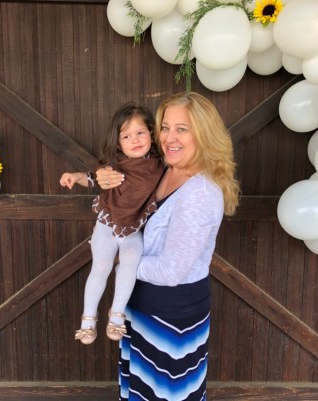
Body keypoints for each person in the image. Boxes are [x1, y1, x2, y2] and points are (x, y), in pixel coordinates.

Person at [96, 92, 240, 401]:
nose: (169, 138)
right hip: (141, 307)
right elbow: (123, 175)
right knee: (140, 389)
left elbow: (171, 271)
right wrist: (102, 175)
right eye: (164, 127)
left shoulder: (201, 193)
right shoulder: (163, 167)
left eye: (182, 129)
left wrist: (120, 261)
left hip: (171, 316)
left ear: (203, 135)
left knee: (167, 393)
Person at [59, 102, 164, 345]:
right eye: (126, 136)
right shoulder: (114, 164)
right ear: (118, 143)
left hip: (133, 227)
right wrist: (75, 176)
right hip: (107, 224)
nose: (135, 140)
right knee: (101, 266)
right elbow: (92, 179)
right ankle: (88, 320)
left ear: (151, 133)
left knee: (130, 263)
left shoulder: (159, 164)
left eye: (140, 132)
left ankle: (117, 315)